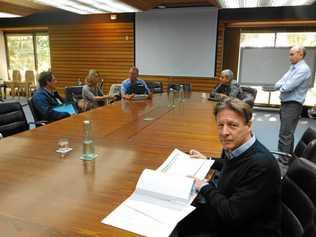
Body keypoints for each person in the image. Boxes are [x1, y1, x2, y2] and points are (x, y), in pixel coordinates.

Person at [173, 98, 281, 237]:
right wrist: (208, 160)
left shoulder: (261, 165)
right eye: (220, 125)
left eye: (232, 125)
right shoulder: (240, 149)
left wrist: (204, 187)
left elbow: (232, 214)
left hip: (245, 229)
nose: (224, 132)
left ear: (249, 125)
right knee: (180, 217)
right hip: (233, 212)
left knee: (180, 222)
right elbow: (235, 165)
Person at [274, 46, 311, 157]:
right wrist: (282, 86)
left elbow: (287, 87)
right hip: (286, 104)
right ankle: (289, 157)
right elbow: (279, 84)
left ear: (300, 54)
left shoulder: (303, 69)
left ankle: (282, 163)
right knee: (288, 134)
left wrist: (282, 86)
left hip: (293, 105)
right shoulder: (293, 68)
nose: (289, 57)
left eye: (292, 54)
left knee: (284, 135)